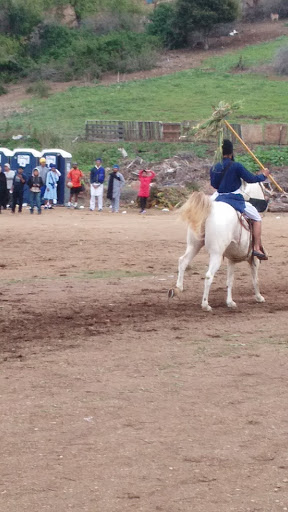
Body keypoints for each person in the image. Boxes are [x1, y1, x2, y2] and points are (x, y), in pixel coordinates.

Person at [210, 139, 270, 260]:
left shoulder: (214, 167)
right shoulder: (236, 166)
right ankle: (257, 248)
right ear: (231, 153)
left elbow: (214, 185)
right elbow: (251, 179)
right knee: (257, 218)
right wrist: (263, 175)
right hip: (234, 199)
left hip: (219, 198)